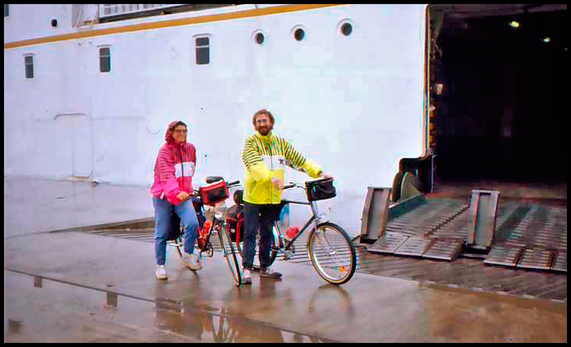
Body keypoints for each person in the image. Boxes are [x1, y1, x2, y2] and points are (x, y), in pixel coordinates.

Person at [241, 109, 331, 284]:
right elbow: (253, 164)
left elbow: (299, 161)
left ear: (271, 123)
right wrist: (269, 177)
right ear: (255, 125)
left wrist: (319, 173)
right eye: (258, 121)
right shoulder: (251, 142)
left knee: (267, 233)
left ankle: (265, 267)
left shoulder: (281, 144)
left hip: (272, 197)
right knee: (250, 233)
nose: (262, 124)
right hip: (253, 197)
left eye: (264, 121)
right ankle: (246, 268)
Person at [151, 120, 201, 280]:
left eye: (185, 131)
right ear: (171, 133)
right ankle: (160, 265)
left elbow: (190, 170)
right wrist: (175, 192)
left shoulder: (191, 149)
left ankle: (187, 254)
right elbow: (167, 175)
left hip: (183, 196)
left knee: (193, 223)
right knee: (162, 231)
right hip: (164, 197)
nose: (182, 134)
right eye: (178, 131)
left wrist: (187, 190)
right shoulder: (165, 151)